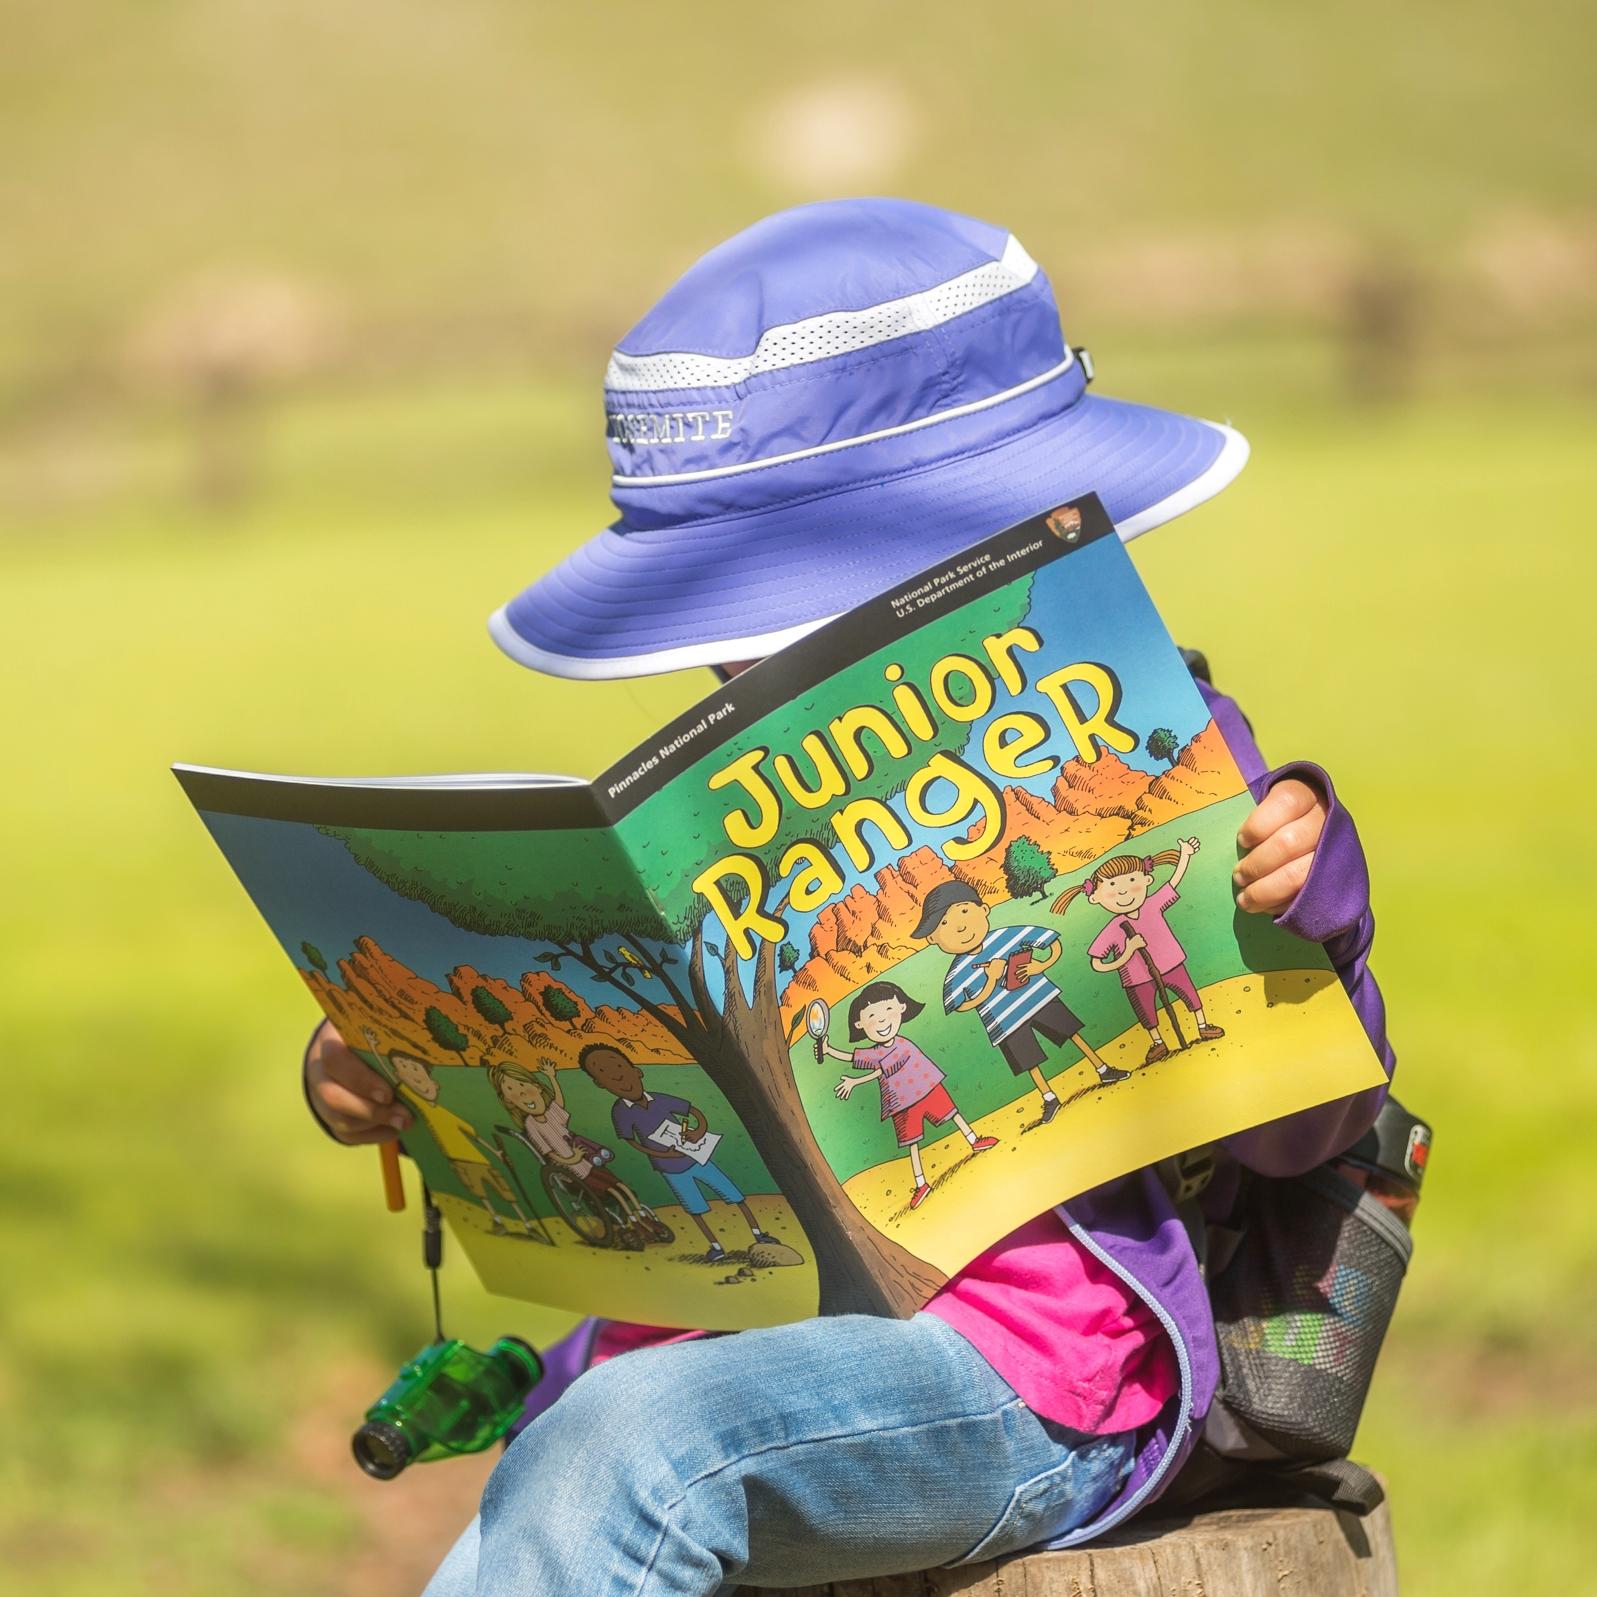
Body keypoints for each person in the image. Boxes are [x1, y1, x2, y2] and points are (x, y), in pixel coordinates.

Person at [302, 199, 1395, 1595]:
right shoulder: (704, 831)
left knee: (628, 1450)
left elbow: (1309, 1138)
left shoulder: (1157, 754)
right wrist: (388, 1071)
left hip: (1026, 1370)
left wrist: (1312, 911)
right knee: (601, 1451)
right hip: (690, 1361)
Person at [916, 880, 1131, 1122]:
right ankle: (1049, 1097)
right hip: (1005, 1021)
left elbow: (1051, 942)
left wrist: (1041, 965)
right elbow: (962, 1005)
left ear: (983, 909)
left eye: (964, 911)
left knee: (1072, 1033)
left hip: (1039, 999)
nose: (959, 927)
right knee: (1029, 1061)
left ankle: (1102, 1068)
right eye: (944, 924)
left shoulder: (1008, 935)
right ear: (932, 939)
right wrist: (991, 981)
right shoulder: (957, 972)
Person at [577, 1043, 780, 1264]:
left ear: (636, 1070)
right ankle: (716, 1247)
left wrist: (699, 1130)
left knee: (734, 1196)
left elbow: (694, 1112)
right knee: (695, 1208)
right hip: (670, 1169)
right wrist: (664, 1155)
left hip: (696, 1157)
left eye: (619, 1066)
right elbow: (631, 1141)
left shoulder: (659, 1099)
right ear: (599, 1083)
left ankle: (759, 1234)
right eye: (604, 1072)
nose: (617, 1076)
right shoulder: (621, 1111)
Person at [822, 979, 999, 1210]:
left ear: (901, 1008)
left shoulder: (902, 1046)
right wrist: (828, 1050)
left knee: (952, 1114)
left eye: (888, 1010)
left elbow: (880, 1070)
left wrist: (855, 1082)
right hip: (901, 1103)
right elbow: (856, 1057)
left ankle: (974, 1140)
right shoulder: (875, 1051)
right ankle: (920, 1183)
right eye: (872, 1017)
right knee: (912, 1143)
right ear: (859, 1024)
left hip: (926, 1087)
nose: (882, 1020)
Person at [1053, 839, 1226, 1064]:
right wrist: (1127, 953)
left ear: (1147, 880)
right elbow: (1097, 962)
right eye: (1112, 887)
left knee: (1190, 996)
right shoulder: (1113, 929)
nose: (1123, 891)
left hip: (1171, 964)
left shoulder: (1152, 905)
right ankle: (1158, 1042)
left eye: (1132, 880)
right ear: (1095, 897)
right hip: (1137, 979)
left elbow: (1173, 883)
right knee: (1147, 1012)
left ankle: (1203, 1026)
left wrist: (1185, 855)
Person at [360, 1028, 537, 1238]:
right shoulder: (423, 1106)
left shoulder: (449, 1113)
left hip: (477, 1159)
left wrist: (495, 1153)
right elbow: (388, 1074)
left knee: (505, 1192)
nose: (416, 1080)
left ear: (434, 1083)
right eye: (406, 1072)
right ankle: (500, 1221)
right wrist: (370, 1047)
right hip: (459, 1161)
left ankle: (526, 1224)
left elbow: (474, 1136)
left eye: (420, 1076)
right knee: (484, 1196)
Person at [487, 1059, 649, 1226]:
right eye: (511, 1089)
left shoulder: (550, 1114)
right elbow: (548, 1153)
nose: (522, 1093)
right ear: (509, 1101)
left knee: (618, 1185)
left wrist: (552, 1077)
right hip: (571, 1171)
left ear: (537, 1087)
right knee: (610, 1189)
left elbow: (559, 1105)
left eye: (522, 1085)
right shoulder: (531, 1125)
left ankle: (641, 1215)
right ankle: (632, 1220)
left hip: (586, 1162)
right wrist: (570, 1160)